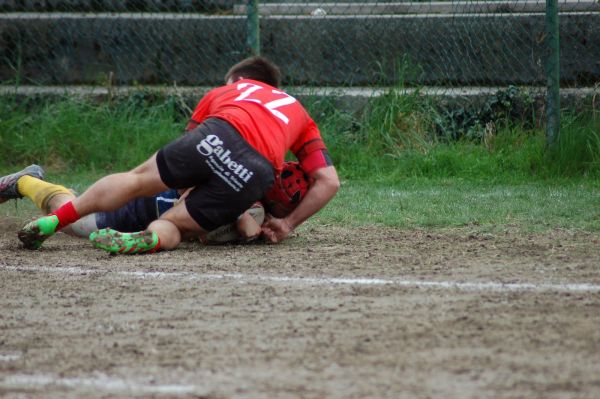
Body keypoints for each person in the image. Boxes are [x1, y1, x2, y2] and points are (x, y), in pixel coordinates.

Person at [18, 56, 340, 254]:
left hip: (218, 133)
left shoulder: (225, 92)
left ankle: (51, 217)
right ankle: (150, 240)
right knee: (172, 224)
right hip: (257, 170)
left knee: (135, 180)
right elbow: (328, 181)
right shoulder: (298, 113)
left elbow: (190, 148)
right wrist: (286, 224)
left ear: (239, 82)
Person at [1, 165, 264, 244]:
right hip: (127, 210)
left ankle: (32, 182)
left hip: (134, 218)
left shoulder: (254, 210)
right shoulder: (232, 181)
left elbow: (248, 233)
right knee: (69, 217)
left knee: (71, 212)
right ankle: (24, 181)